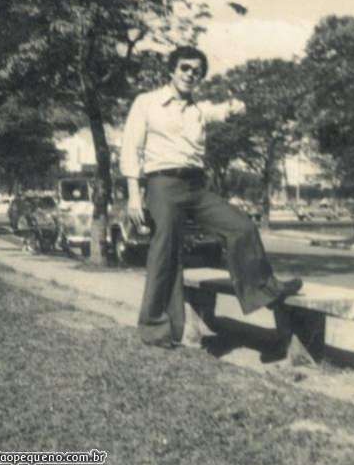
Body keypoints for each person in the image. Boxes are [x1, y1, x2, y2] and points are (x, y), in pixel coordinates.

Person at [120, 46, 302, 348]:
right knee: (165, 251)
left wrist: (266, 96)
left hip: (195, 185)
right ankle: (155, 328)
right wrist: (133, 194)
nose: (191, 74)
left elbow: (232, 109)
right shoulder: (146, 102)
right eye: (185, 68)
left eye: (197, 71)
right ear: (172, 70)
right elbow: (131, 147)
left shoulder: (199, 111)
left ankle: (264, 290)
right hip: (162, 183)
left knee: (242, 227)